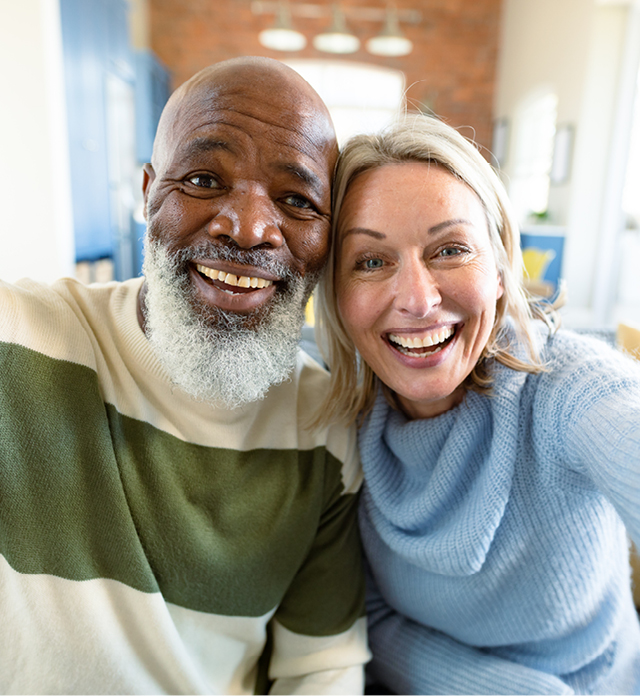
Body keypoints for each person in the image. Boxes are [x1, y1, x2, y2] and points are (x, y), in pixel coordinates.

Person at [0, 56, 369, 694]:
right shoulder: (20, 342)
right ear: (149, 193)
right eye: (203, 178)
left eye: (295, 200)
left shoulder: (327, 429)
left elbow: (322, 670)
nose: (249, 229)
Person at [313, 113, 640, 695]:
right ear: (336, 296)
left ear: (498, 268)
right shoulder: (338, 423)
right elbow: (371, 618)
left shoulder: (570, 389)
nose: (417, 299)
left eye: (450, 250)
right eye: (370, 261)